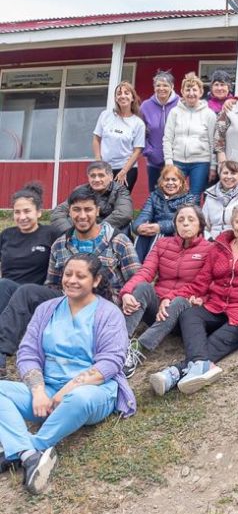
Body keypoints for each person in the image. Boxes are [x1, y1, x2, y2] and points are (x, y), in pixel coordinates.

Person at [0, 254, 136, 495]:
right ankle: (30, 456)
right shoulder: (46, 309)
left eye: (80, 276)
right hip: (48, 390)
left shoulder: (109, 313)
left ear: (96, 281)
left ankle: (33, 444)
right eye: (68, 274)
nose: (72, 280)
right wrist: (38, 390)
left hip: (93, 392)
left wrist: (68, 389)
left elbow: (110, 362)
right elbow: (28, 352)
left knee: (79, 399)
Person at [0, 186, 140, 384]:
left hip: (104, 305)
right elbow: (52, 283)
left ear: (97, 210)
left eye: (88, 209)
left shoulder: (118, 241)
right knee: (24, 291)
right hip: (67, 302)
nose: (82, 215)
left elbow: (137, 277)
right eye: (76, 210)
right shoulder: (60, 244)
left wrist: (126, 294)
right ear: (70, 212)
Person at [148, 203, 238, 396]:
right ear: (232, 224)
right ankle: (200, 366)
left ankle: (174, 372)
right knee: (189, 313)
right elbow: (200, 284)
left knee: (215, 342)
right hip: (214, 306)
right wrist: (171, 297)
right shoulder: (219, 248)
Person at [119, 205, 212, 374]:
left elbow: (205, 284)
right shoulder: (163, 244)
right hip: (158, 306)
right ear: (175, 224)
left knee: (178, 301)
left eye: (191, 220)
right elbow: (146, 271)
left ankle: (136, 351)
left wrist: (199, 299)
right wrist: (126, 293)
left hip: (183, 309)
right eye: (180, 220)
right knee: (142, 287)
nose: (185, 224)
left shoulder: (209, 249)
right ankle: (118, 344)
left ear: (200, 225)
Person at [0, 184, 60, 346]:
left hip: (36, 295)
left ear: (39, 212)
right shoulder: (6, 235)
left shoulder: (51, 234)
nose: (22, 217)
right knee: (4, 285)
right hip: (7, 294)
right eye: (17, 212)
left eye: (27, 211)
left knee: (7, 286)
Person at [163, 72, 218, 196]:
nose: (191, 93)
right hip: (177, 161)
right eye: (188, 89)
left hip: (200, 162)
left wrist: (213, 166)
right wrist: (169, 161)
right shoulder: (174, 112)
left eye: (194, 90)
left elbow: (213, 143)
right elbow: (167, 139)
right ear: (182, 91)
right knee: (174, 196)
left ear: (201, 92)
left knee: (195, 198)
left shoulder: (209, 114)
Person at [132, 164, 198, 261]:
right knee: (143, 234)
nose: (170, 183)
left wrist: (160, 227)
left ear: (181, 183)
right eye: (167, 180)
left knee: (159, 235)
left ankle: (149, 268)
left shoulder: (188, 199)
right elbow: (144, 214)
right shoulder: (154, 196)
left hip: (176, 235)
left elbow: (183, 223)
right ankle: (135, 267)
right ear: (161, 183)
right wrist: (139, 227)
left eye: (174, 180)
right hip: (154, 231)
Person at [51, 162, 134, 237]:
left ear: (111, 177)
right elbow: (58, 211)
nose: (96, 179)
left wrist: (96, 230)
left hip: (107, 230)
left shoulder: (120, 190)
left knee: (124, 226)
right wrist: (68, 231)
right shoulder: (80, 190)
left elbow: (124, 213)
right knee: (67, 222)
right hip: (82, 228)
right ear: (88, 177)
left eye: (101, 175)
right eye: (93, 176)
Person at [92, 81, 145, 194]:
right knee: (102, 202)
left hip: (126, 170)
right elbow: (96, 139)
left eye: (126, 93)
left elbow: (137, 150)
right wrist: (98, 161)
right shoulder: (105, 115)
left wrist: (124, 171)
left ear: (132, 98)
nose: (122, 96)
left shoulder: (138, 123)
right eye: (119, 93)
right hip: (105, 168)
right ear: (116, 98)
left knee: (119, 202)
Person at [140, 70, 180, 192]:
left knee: (175, 195)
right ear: (154, 87)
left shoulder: (181, 103)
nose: (161, 88)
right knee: (155, 195)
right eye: (158, 85)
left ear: (172, 87)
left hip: (177, 160)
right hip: (154, 161)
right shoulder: (145, 106)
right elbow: (139, 132)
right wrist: (149, 151)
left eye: (165, 85)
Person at [202, 160, 238, 240]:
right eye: (225, 173)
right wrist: (209, 239)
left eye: (233, 173)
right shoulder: (210, 196)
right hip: (213, 241)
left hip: (237, 240)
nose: (229, 177)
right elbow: (203, 226)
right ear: (220, 175)